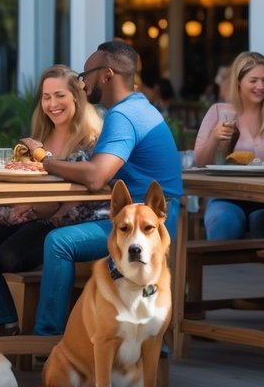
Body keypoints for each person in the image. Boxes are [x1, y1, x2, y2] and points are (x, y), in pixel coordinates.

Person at [20, 40, 183, 337]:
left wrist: (44, 157)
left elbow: (95, 176)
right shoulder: (137, 108)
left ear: (106, 75)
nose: (82, 84)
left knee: (58, 242)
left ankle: (48, 340)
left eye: (86, 75)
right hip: (144, 219)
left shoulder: (123, 116)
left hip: (146, 226)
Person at [0, 65, 104, 335]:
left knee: (9, 254)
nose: (52, 104)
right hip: (29, 216)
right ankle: (1, 319)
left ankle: (2, 319)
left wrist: (33, 207)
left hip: (64, 224)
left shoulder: (93, 140)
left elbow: (82, 191)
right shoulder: (38, 138)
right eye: (46, 97)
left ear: (76, 96)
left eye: (59, 95)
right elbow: (22, 176)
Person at [193, 51, 264, 239]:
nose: (260, 86)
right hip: (227, 196)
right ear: (238, 82)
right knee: (223, 221)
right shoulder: (219, 112)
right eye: (253, 80)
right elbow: (199, 163)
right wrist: (214, 137)